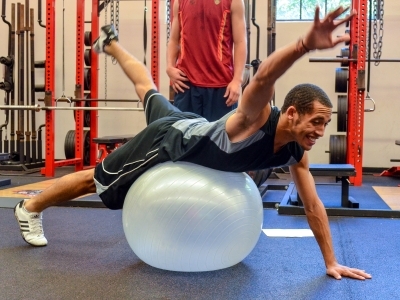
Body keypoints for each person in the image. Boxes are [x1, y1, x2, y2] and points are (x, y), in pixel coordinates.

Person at [14, 6, 372, 280]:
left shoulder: (296, 150)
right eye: (316, 122)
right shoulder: (255, 118)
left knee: (148, 89)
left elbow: (312, 205)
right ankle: (30, 209)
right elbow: (263, 76)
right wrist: (304, 44)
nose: (320, 132)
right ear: (292, 113)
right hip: (170, 142)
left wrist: (331, 262)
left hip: (190, 125)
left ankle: (110, 44)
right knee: (96, 180)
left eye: (325, 124)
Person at [166, 0, 247, 121]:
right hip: (186, 85)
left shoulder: (234, 1)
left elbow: (240, 42)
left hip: (221, 88)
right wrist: (169, 67)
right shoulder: (179, 2)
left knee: (219, 138)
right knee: (186, 138)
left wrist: (237, 80)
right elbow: (173, 40)